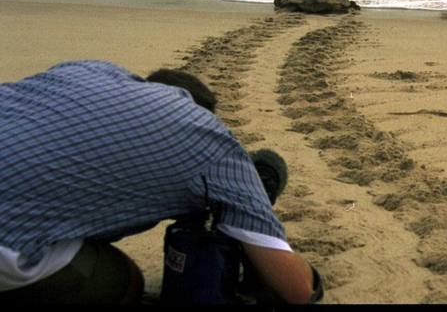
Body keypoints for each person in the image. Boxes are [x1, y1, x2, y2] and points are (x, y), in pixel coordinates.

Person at [0, 61, 320, 304]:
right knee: (125, 283)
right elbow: (297, 290)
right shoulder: (211, 143)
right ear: (205, 115)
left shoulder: (89, 70)